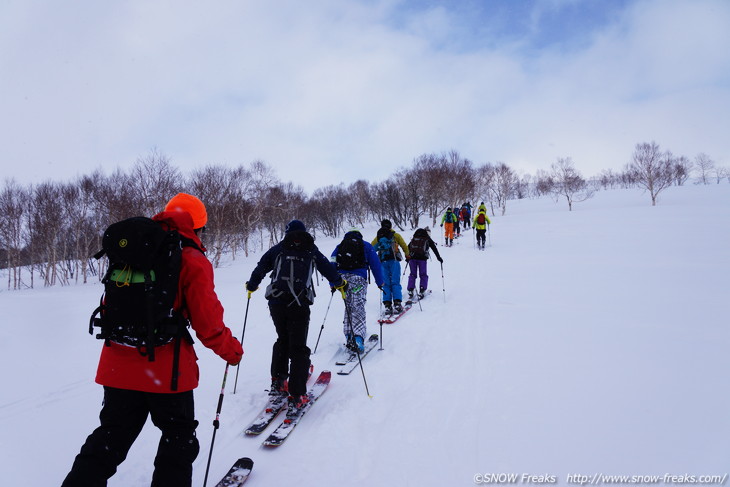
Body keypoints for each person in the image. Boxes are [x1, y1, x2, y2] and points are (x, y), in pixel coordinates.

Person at [62, 193, 243, 487]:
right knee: (178, 439)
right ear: (198, 227)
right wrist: (232, 352)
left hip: (117, 364)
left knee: (111, 437)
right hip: (167, 373)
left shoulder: (136, 248)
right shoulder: (191, 259)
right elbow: (208, 324)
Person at [245, 220, 346, 413]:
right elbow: (327, 269)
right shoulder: (310, 249)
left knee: (282, 339)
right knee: (298, 347)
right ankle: (297, 394)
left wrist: (252, 284)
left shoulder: (279, 248)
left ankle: (278, 380)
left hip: (276, 303)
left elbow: (261, 266)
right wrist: (339, 283)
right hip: (299, 304)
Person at [331, 227, 384, 353]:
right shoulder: (366, 246)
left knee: (348, 305)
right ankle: (358, 339)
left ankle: (349, 336)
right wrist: (380, 282)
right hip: (358, 279)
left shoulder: (340, 246)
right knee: (358, 306)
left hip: (342, 280)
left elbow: (332, 261)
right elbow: (375, 264)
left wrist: (332, 282)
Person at [371, 219, 410, 315]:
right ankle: (397, 303)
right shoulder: (395, 235)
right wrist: (407, 255)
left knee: (386, 283)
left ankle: (387, 305)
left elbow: (371, 248)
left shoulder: (378, 237)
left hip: (383, 262)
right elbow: (404, 245)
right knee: (395, 282)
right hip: (394, 261)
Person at [406, 226, 443, 300]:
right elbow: (434, 248)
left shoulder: (415, 236)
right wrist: (439, 258)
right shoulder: (427, 238)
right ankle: (422, 290)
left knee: (412, 274)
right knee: (423, 274)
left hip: (412, 258)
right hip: (422, 259)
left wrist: (407, 257)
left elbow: (408, 247)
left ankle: (410, 289)